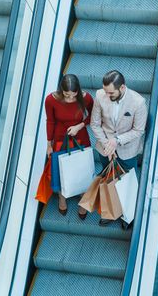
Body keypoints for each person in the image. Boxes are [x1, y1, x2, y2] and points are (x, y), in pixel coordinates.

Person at [90, 70, 148, 227]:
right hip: (105, 148)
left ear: (122, 87)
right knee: (109, 180)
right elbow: (95, 124)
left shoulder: (138, 102)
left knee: (128, 184)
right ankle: (111, 212)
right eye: (106, 92)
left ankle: (128, 215)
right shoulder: (100, 95)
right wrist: (107, 144)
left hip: (127, 150)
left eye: (111, 92)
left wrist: (117, 141)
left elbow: (138, 130)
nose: (107, 95)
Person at [45, 74, 93, 219]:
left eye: (74, 95)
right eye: (67, 95)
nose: (71, 98)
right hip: (60, 138)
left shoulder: (86, 98)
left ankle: (83, 198)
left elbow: (93, 116)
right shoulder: (51, 100)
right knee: (61, 169)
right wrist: (49, 144)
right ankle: (62, 197)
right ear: (61, 91)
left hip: (80, 136)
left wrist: (80, 125)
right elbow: (50, 121)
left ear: (78, 91)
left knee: (82, 168)